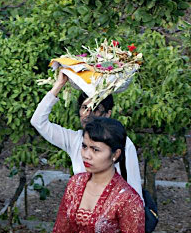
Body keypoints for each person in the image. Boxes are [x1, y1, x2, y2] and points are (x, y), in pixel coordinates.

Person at [36, 117, 148, 233]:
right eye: (84, 146)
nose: (86, 155)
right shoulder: (75, 184)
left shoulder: (127, 199)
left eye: (95, 150)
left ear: (115, 154)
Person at [30, 70, 143, 202]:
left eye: (95, 109)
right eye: (84, 107)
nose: (87, 114)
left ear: (107, 114)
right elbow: (38, 121)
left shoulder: (122, 143)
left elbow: (135, 192)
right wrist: (59, 84)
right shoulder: (74, 139)